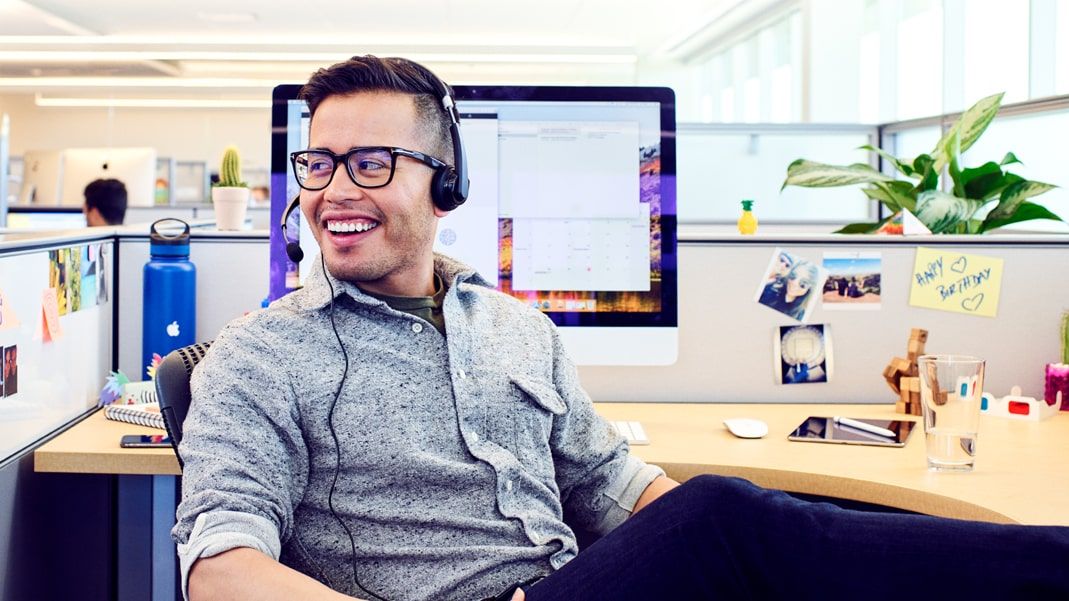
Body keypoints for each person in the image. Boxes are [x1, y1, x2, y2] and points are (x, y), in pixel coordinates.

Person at [173, 55, 1069, 601]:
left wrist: (779, 550)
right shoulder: (261, 354)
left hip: (573, 595)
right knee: (726, 513)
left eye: (371, 163)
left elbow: (615, 484)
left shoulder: (514, 328)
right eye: (319, 162)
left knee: (762, 530)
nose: (334, 190)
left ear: (445, 183)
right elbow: (219, 564)